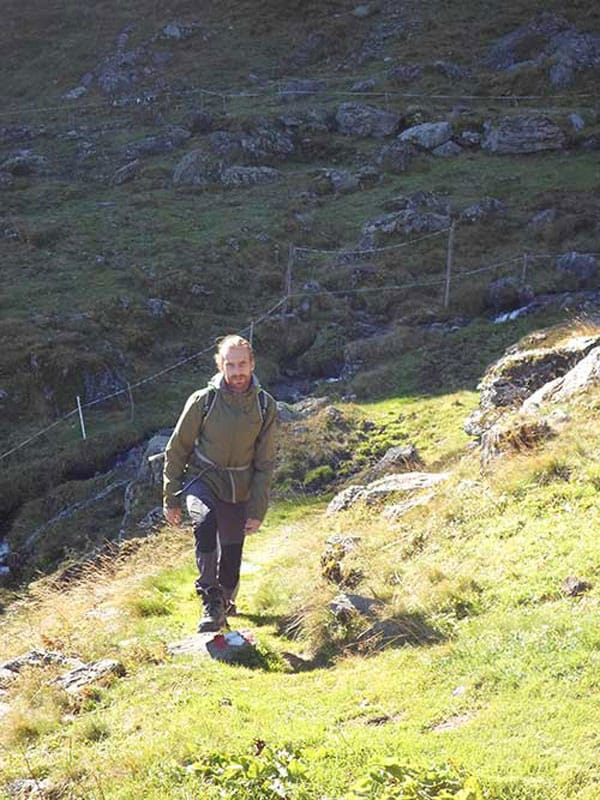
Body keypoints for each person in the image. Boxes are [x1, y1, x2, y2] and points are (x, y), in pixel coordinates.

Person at [163, 335, 277, 632]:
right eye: (231, 364)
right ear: (220, 365)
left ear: (252, 364)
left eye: (242, 364)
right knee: (205, 522)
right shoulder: (203, 400)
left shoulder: (265, 406)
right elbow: (177, 449)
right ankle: (210, 599)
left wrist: (257, 509)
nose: (237, 371)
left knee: (231, 555)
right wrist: (171, 498)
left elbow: (265, 463)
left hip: (240, 486)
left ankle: (224, 601)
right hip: (203, 478)